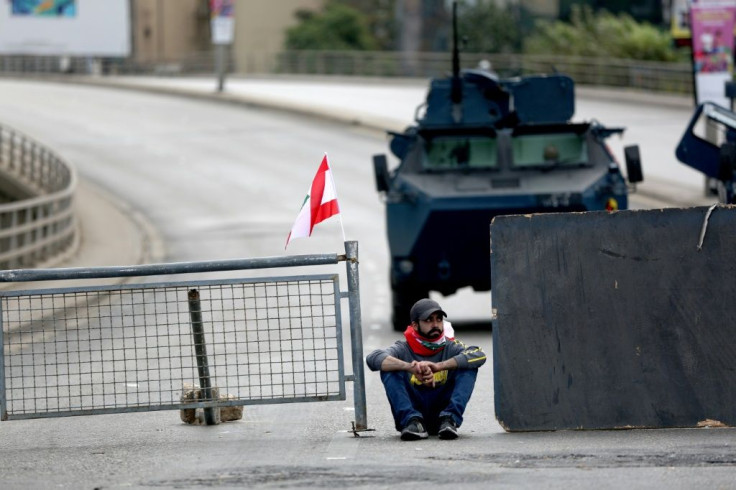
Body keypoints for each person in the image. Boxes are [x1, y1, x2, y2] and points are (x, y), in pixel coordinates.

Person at [366, 298, 487, 440]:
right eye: (428, 320)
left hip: (443, 417)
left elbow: (479, 355)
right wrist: (411, 367)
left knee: (468, 364)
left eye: (439, 319)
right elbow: (373, 358)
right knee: (390, 366)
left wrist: (438, 366)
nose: (435, 325)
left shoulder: (451, 346)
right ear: (415, 325)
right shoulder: (403, 348)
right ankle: (412, 421)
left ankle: (449, 419)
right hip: (413, 418)